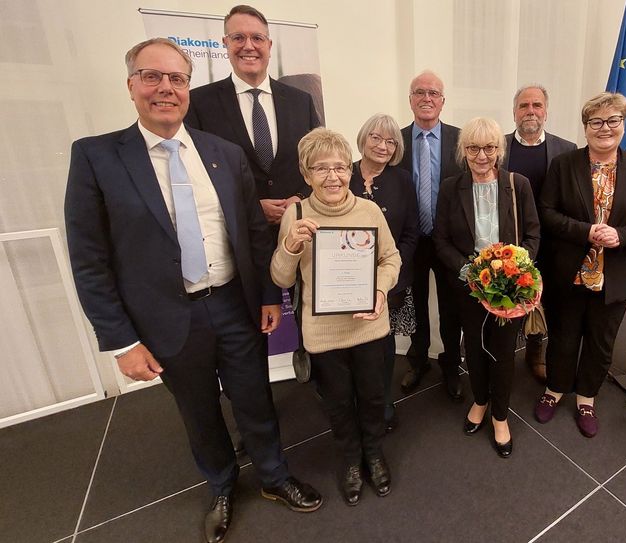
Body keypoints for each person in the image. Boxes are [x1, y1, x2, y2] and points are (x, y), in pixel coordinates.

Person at [64, 38, 322, 543]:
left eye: (176, 78)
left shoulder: (222, 153)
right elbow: (89, 260)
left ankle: (272, 476)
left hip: (233, 304)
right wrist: (120, 341)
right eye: (152, 77)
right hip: (166, 317)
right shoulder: (97, 157)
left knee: (255, 399)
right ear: (132, 85)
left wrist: (271, 296)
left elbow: (250, 231)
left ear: (188, 87)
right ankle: (222, 485)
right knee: (198, 409)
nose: (165, 88)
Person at [271, 128, 401, 506]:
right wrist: (291, 245)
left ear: (351, 170)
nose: (333, 176)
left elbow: (391, 258)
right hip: (325, 334)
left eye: (341, 167)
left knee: (374, 397)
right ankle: (349, 460)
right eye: (321, 168)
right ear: (306, 173)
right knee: (339, 402)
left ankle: (373, 453)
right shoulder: (296, 215)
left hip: (370, 326)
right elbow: (280, 277)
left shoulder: (369, 210)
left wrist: (379, 289)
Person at [533, 92, 626, 438]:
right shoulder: (564, 165)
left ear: (624, 124)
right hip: (568, 272)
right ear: (586, 127)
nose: (604, 128)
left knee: (601, 341)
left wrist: (621, 236)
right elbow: (546, 213)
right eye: (596, 122)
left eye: (613, 120)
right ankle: (554, 390)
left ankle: (587, 398)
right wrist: (586, 231)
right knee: (563, 337)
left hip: (617, 274)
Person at [433, 118, 540, 458]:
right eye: (474, 148)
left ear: (500, 149)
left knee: (504, 351)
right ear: (463, 151)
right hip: (469, 285)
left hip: (509, 286)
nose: (482, 156)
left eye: (489, 148)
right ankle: (479, 401)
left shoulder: (517, 184)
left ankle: (500, 415)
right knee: (475, 348)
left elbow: (534, 234)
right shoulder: (451, 187)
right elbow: (441, 239)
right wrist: (465, 269)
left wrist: (518, 268)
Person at [185, 4, 321, 228]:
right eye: (238, 37)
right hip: (235, 235)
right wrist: (250, 206)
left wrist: (301, 197)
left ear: (269, 45)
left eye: (257, 38)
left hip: (297, 231)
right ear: (225, 43)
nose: (249, 46)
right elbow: (195, 173)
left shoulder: (301, 101)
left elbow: (317, 159)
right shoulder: (199, 103)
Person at [503, 84, 576, 382]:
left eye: (536, 105)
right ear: (514, 112)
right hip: (509, 241)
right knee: (508, 297)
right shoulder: (499, 146)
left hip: (551, 242)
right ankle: (504, 352)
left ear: (546, 111)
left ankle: (536, 350)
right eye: (523, 106)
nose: (530, 111)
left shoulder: (566, 149)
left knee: (544, 298)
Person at [350, 114, 419, 433]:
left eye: (391, 141)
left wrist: (392, 270)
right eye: (376, 138)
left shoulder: (403, 179)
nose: (383, 146)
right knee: (349, 344)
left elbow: (410, 232)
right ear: (363, 138)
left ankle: (382, 400)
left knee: (383, 344)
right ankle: (353, 402)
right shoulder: (342, 173)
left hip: (388, 281)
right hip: (346, 280)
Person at [398, 71, 464, 400]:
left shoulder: (461, 140)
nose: (427, 98)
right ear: (410, 99)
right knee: (417, 303)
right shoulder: (394, 141)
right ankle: (418, 359)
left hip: (449, 241)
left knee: (452, 307)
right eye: (420, 92)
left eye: (434, 93)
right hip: (412, 240)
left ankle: (451, 365)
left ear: (442, 101)